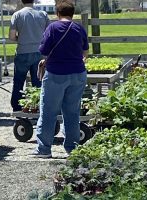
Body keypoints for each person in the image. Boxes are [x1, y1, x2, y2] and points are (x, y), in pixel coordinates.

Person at [32, 0, 89, 158]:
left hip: (56, 73)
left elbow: (44, 50)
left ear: (57, 14)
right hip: (78, 73)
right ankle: (72, 148)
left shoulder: (53, 27)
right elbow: (85, 53)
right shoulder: (79, 28)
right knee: (72, 112)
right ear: (72, 14)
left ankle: (44, 149)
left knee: (48, 111)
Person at [9, 0, 50, 112]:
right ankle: (38, 107)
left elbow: (12, 37)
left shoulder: (17, 15)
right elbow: (49, 34)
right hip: (39, 52)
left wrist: (21, 38)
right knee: (38, 82)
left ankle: (17, 107)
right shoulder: (43, 15)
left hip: (22, 51)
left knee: (18, 81)